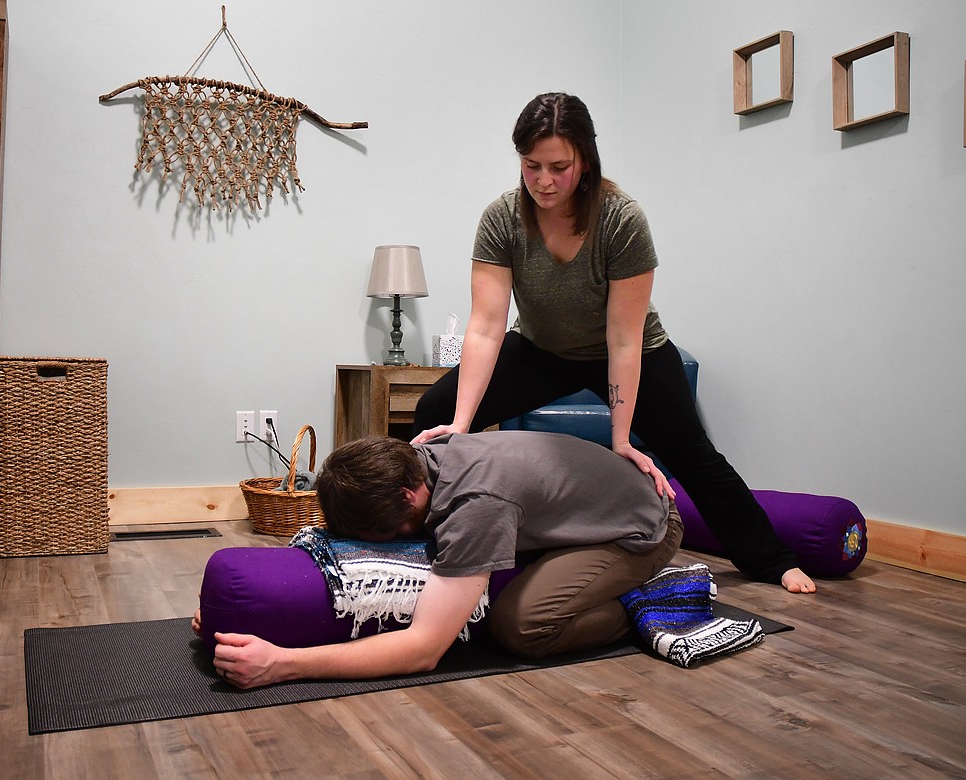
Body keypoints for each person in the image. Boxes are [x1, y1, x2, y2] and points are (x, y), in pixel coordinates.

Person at [410, 92, 814, 594]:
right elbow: (486, 327)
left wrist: (622, 439)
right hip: (541, 349)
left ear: (585, 159)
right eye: (531, 166)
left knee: (694, 456)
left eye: (559, 166)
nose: (544, 180)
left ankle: (772, 560)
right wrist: (463, 424)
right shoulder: (502, 219)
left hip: (628, 351)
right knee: (434, 413)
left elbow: (623, 338)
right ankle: (430, 542)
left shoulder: (621, 219)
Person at [194, 430, 683, 689]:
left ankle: (653, 599)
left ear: (409, 498)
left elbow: (424, 650)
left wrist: (282, 664)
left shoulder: (476, 506)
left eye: (387, 536)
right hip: (575, 508)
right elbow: (345, 546)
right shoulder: (413, 458)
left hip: (639, 527)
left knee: (521, 627)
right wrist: (246, 614)